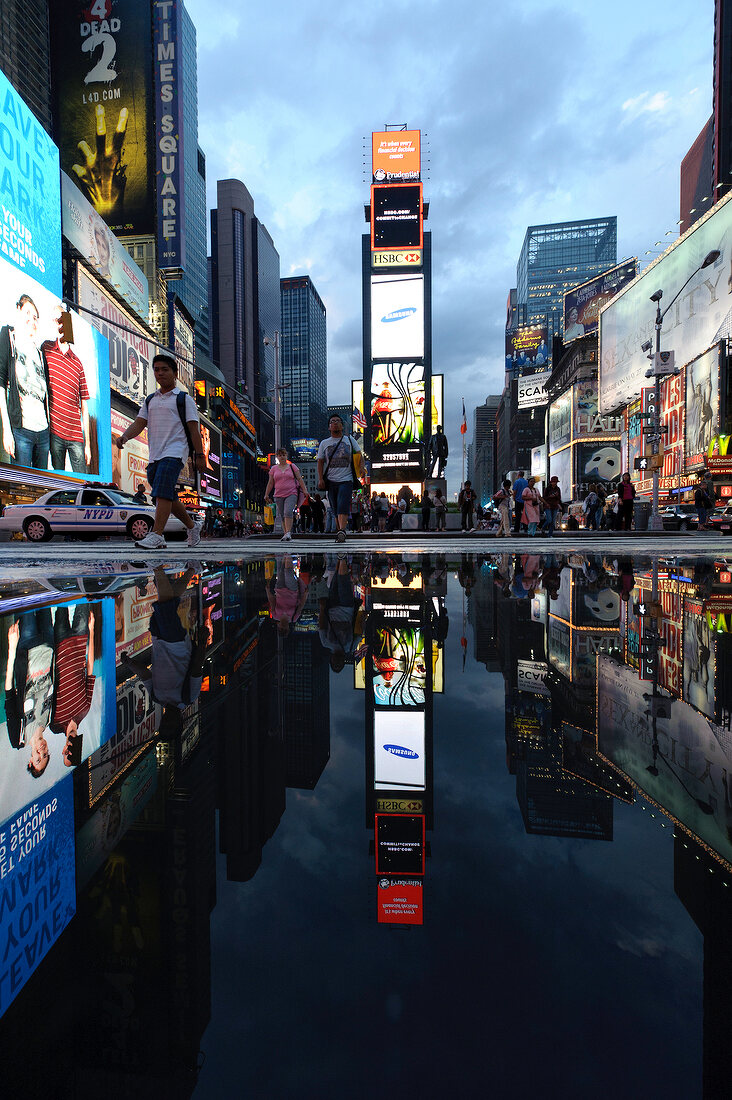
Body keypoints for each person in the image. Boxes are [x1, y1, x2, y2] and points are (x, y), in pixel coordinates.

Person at [114, 354, 205, 549]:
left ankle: (157, 534)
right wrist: (125, 437)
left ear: (175, 373)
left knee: (163, 491)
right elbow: (139, 423)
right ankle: (192, 525)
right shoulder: (150, 400)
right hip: (155, 454)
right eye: (157, 369)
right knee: (164, 495)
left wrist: (199, 455)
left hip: (175, 452)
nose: (160, 373)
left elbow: (193, 429)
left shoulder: (183, 399)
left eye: (165, 369)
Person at [121, 565, 206, 738]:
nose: (168, 720)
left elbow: (145, 675)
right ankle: (157, 566)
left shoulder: (156, 697)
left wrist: (129, 663)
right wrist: (203, 640)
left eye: (164, 723)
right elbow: (197, 667)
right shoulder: (188, 696)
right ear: (180, 722)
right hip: (176, 643)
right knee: (165, 604)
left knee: (169, 601)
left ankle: (192, 570)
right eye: (171, 724)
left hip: (158, 640)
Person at [0, 293, 50, 469]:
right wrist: (7, 429)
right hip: (21, 431)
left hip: (43, 432)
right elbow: (1, 382)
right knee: (21, 489)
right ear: (18, 310)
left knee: (41, 488)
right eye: (28, 313)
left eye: (35, 317)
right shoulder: (8, 336)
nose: (32, 319)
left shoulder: (39, 353)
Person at [5, 610, 54, 775]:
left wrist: (12, 650)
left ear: (30, 760)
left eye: (38, 758)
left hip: (27, 646)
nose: (42, 751)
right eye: (46, 755)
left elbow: (9, 694)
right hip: (48, 644)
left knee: (26, 596)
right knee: (45, 594)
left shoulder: (19, 737)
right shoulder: (49, 720)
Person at [41, 317, 93, 473]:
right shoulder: (47, 349)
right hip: (55, 431)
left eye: (63, 322)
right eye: (57, 321)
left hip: (76, 435)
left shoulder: (77, 363)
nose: (60, 326)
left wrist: (87, 445)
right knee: (58, 480)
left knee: (82, 481)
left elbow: (84, 406)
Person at [50, 603, 97, 767]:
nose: (69, 750)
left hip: (60, 644)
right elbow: (90, 669)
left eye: (66, 754)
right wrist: (92, 631)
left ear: (63, 750)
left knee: (60, 601)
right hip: (80, 638)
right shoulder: (84, 709)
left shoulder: (55, 723)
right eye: (72, 753)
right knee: (82, 597)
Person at [317, 414, 362, 540]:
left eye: (338, 421)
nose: (335, 423)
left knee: (342, 504)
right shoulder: (324, 443)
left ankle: (342, 530)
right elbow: (320, 462)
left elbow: (359, 455)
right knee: (335, 508)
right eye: (332, 421)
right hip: (331, 481)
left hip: (347, 479)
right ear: (329, 427)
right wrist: (320, 479)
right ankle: (340, 531)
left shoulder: (350, 440)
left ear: (342, 426)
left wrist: (361, 468)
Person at [264, 447, 309, 542]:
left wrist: (305, 490)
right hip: (278, 494)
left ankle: (288, 532)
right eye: (280, 455)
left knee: (288, 512)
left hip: (291, 493)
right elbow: (270, 482)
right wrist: (266, 494)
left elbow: (300, 479)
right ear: (277, 457)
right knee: (282, 514)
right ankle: (285, 534)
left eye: (284, 455)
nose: (282, 457)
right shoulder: (273, 469)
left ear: (286, 456)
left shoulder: (292, 467)